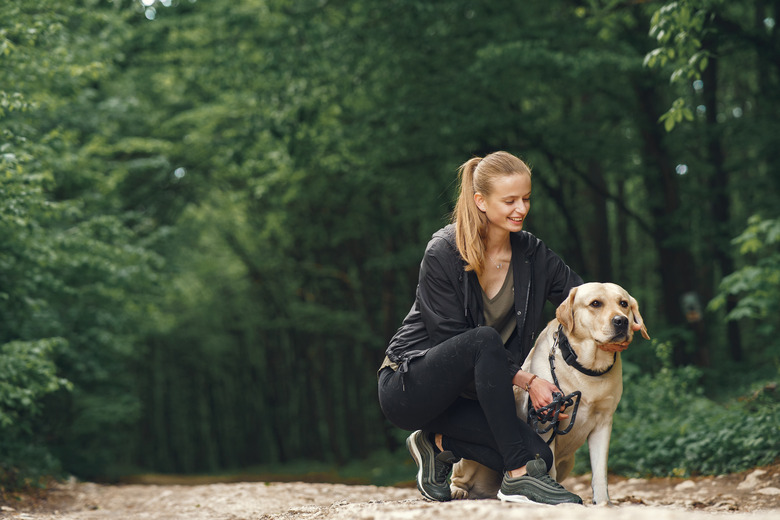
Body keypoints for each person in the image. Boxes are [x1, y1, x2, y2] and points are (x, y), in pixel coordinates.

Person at [377, 151, 584, 505]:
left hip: (468, 399)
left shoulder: (533, 254)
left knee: (540, 457)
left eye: (526, 198)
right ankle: (518, 478)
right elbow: (452, 339)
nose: (521, 209)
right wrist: (528, 381)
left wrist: (615, 321)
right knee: (484, 340)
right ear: (481, 201)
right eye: (510, 201)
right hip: (409, 386)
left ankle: (435, 444)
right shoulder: (443, 251)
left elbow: (581, 298)